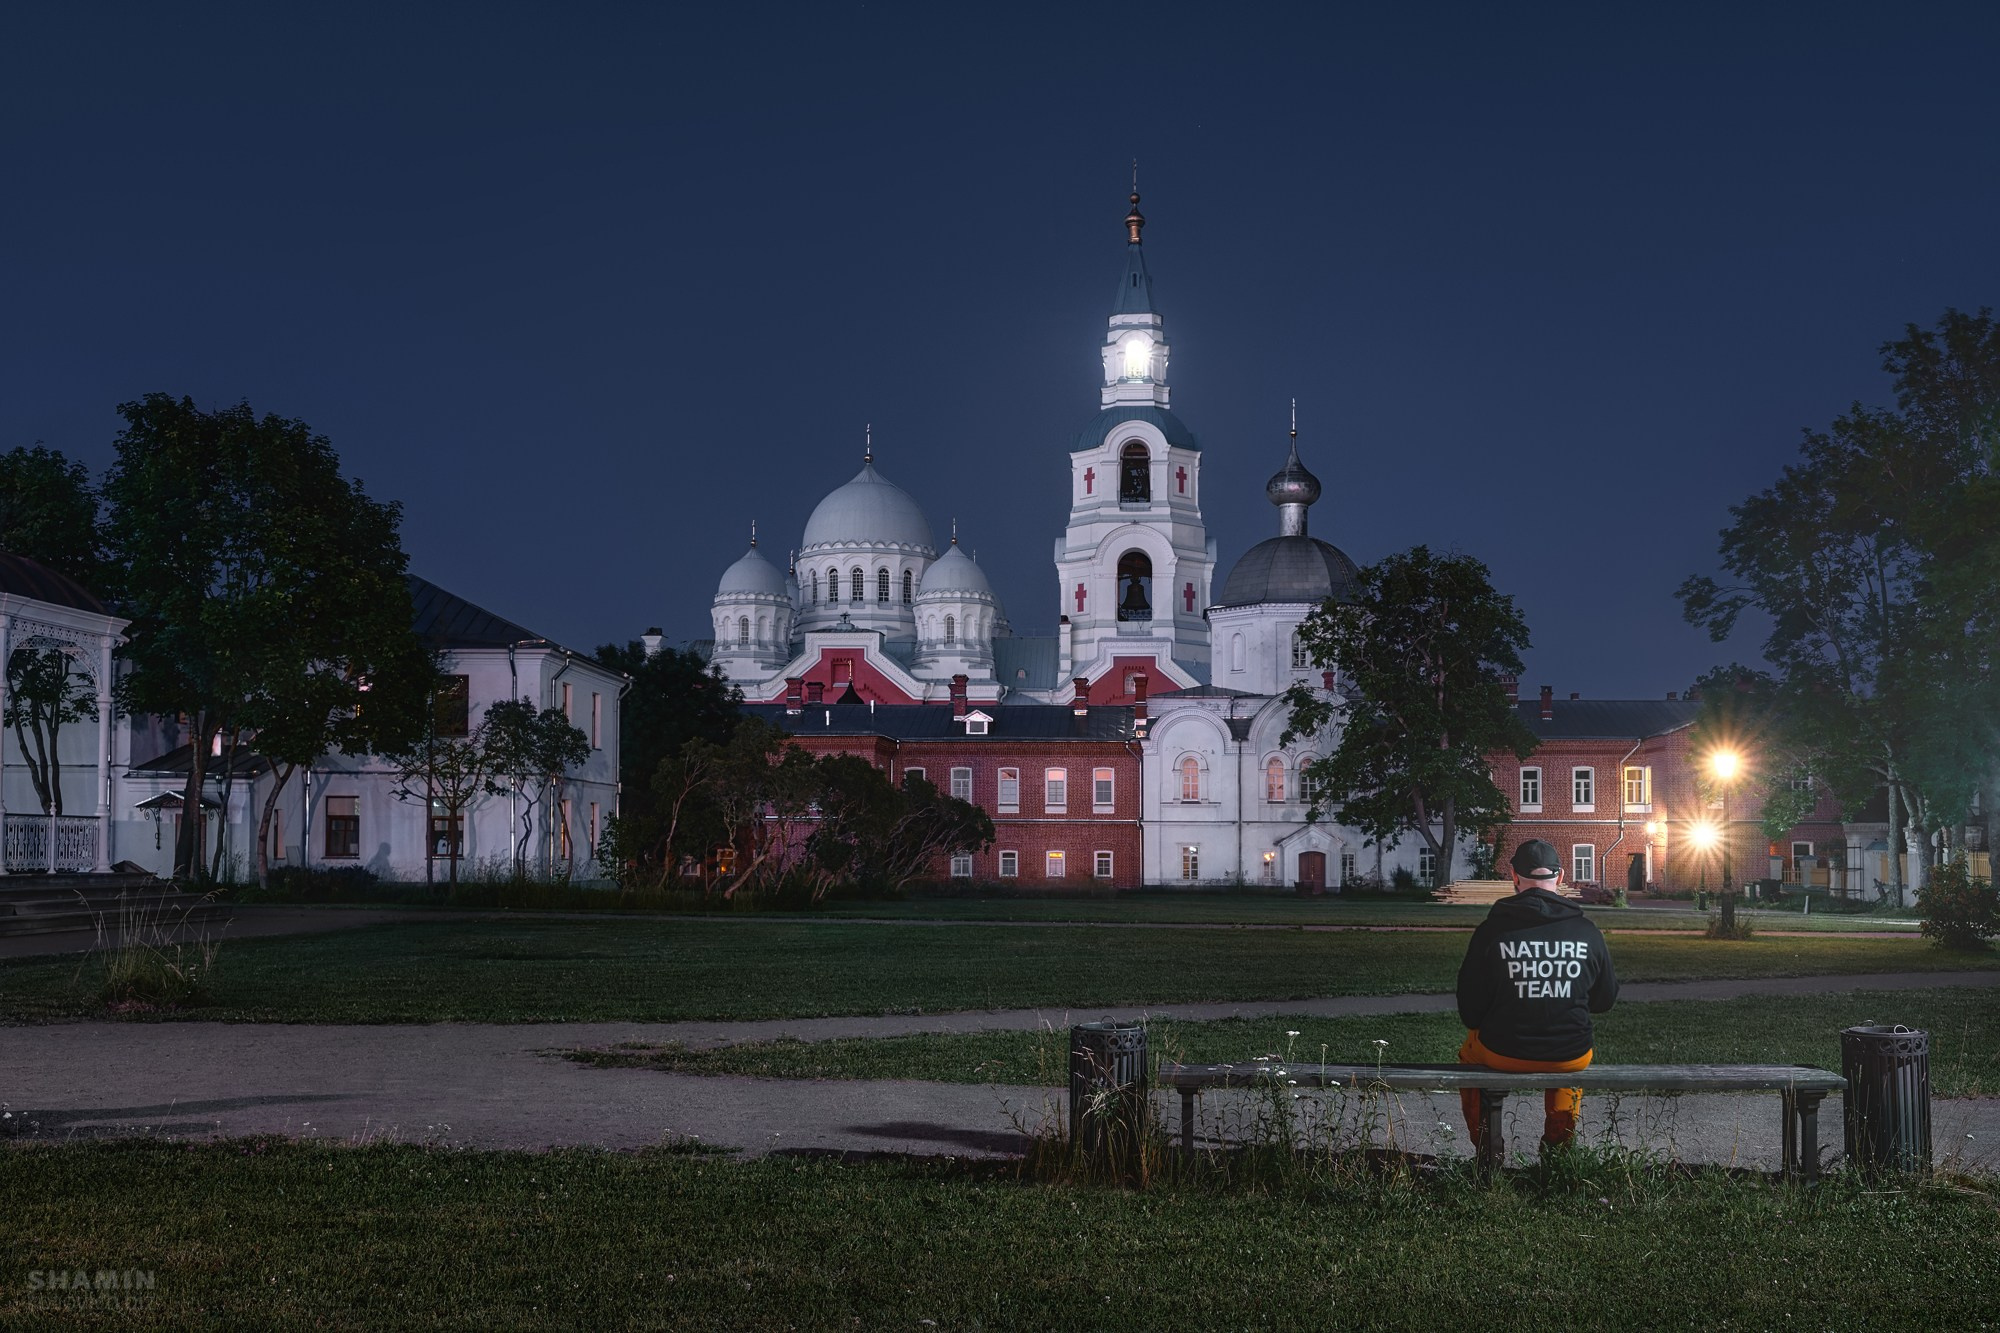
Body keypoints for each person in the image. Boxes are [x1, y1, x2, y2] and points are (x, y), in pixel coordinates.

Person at [1455, 838, 1619, 1150]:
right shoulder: (1587, 932)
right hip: (1570, 1054)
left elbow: (1470, 1012)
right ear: (1559, 877)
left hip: (1502, 1051)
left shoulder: (1491, 931)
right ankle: (1558, 1147)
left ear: (1514, 877)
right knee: (1570, 1061)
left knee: (1469, 1053)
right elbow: (1604, 1000)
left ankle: (1487, 1145)